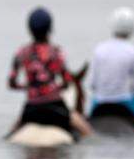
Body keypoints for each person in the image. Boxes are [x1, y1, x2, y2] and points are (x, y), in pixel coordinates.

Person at [7, 7, 95, 138]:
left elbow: (11, 84)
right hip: (55, 108)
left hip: (31, 109)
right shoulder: (56, 52)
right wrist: (53, 88)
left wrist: (29, 86)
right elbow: (66, 82)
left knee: (9, 134)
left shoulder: (21, 53)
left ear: (29, 29)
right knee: (89, 133)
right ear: (50, 28)